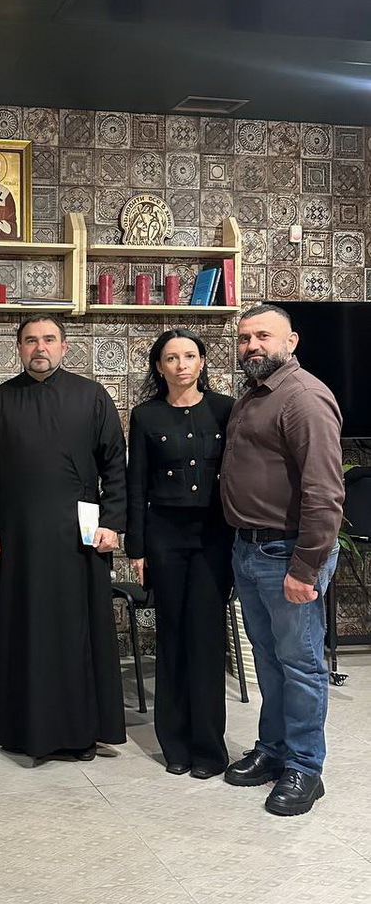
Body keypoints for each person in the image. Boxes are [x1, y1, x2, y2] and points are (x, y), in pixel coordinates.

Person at [0, 315, 127, 760]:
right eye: (31, 340)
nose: (40, 348)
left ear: (64, 346)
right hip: (16, 539)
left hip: (79, 539)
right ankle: (22, 729)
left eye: (49, 340)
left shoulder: (92, 396)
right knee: (23, 630)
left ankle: (81, 731)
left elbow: (115, 465)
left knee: (78, 631)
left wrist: (112, 522)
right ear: (19, 348)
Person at [220, 303, 343, 817]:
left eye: (263, 336)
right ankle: (273, 750)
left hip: (287, 553)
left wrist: (305, 568)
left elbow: (325, 492)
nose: (252, 345)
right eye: (244, 337)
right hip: (250, 549)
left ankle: (305, 768)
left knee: (301, 664)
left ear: (291, 342)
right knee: (269, 660)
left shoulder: (303, 397)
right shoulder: (253, 395)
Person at [126, 328, 234, 779]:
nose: (181, 365)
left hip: (214, 535)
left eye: (190, 356)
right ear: (159, 367)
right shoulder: (145, 415)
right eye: (171, 358)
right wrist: (136, 548)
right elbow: (136, 484)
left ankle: (208, 750)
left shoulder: (226, 409)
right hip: (165, 536)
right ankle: (175, 745)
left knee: (206, 639)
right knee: (170, 636)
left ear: (202, 362)